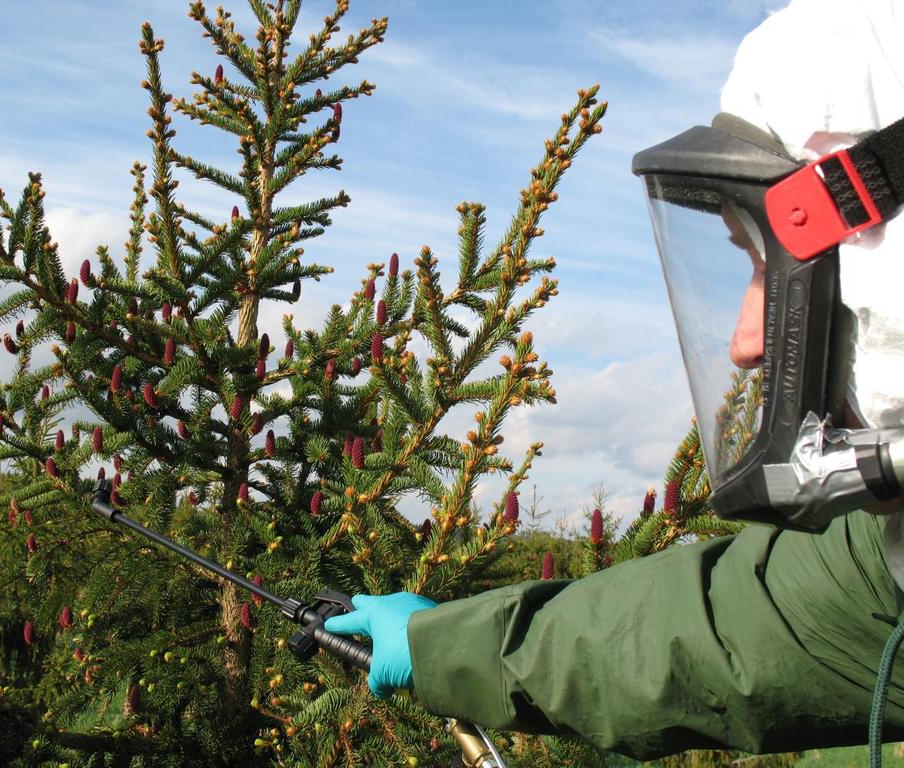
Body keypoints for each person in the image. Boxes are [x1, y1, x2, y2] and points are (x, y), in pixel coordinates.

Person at [324, 0, 904, 760]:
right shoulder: (885, 564)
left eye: (771, 264)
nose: (745, 343)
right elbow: (713, 634)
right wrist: (443, 647)